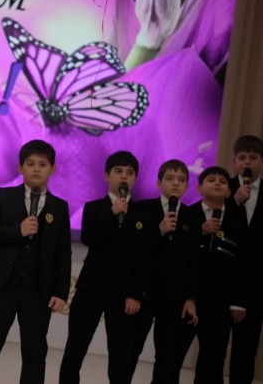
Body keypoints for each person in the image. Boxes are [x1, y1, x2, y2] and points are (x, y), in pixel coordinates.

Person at [0, 139, 71, 384]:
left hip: (38, 290)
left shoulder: (59, 207)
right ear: (20, 168)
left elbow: (63, 253)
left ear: (53, 169)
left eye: (43, 164)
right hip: (3, 285)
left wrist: (61, 292)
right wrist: (17, 230)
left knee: (35, 350)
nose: (36, 169)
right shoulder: (5, 196)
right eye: (30, 164)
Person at [59, 151, 150, 384]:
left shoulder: (142, 214)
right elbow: (89, 238)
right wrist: (112, 213)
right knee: (75, 349)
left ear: (135, 178)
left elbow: (144, 257)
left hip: (124, 295)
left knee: (121, 356)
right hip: (91, 288)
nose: (124, 177)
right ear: (107, 175)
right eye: (118, 171)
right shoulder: (94, 208)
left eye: (130, 173)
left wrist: (135, 294)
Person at [127, 159, 199, 383]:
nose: (176, 183)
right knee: (130, 348)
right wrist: (158, 230)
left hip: (175, 296)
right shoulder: (142, 209)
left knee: (167, 354)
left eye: (181, 180)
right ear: (159, 183)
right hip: (144, 292)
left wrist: (190, 297)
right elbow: (134, 252)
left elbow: (194, 261)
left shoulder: (192, 216)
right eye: (170, 178)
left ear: (187, 186)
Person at [175, 166, 247, 384]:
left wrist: (238, 301)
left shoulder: (237, 219)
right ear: (199, 188)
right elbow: (176, 254)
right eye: (211, 180)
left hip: (220, 302)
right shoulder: (186, 215)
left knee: (213, 359)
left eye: (222, 182)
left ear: (229, 192)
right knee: (172, 355)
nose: (217, 183)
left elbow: (242, 263)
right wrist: (200, 231)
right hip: (185, 298)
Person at [228, 135, 263, 384]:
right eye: (242, 158)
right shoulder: (222, 186)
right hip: (222, 282)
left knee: (246, 351)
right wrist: (234, 202)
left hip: (256, 286)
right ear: (234, 161)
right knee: (213, 349)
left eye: (253, 157)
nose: (247, 163)